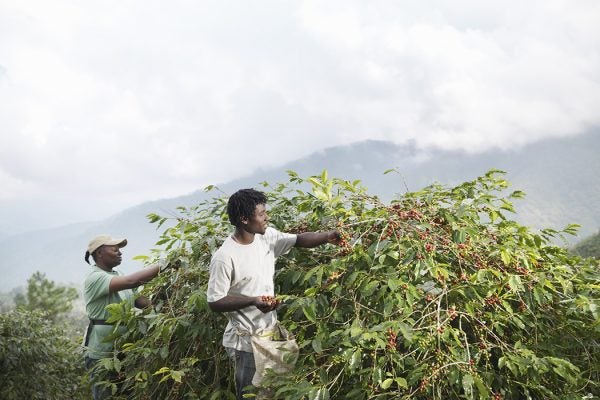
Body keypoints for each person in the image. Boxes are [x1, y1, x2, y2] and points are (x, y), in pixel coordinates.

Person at [207, 189, 340, 399]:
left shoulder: (266, 237)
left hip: (270, 335)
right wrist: (254, 301)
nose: (266, 217)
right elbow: (215, 301)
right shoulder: (225, 257)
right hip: (246, 343)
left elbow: (299, 239)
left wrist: (327, 236)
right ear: (244, 219)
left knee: (276, 393)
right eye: (261, 214)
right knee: (251, 395)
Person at [83, 234, 167, 400]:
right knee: (106, 395)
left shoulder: (118, 273)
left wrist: (164, 308)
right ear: (99, 253)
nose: (120, 253)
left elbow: (138, 300)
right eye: (115, 249)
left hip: (124, 350)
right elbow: (131, 282)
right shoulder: (95, 277)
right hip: (102, 353)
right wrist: (165, 265)